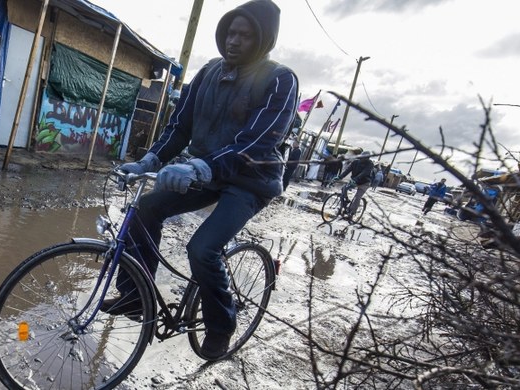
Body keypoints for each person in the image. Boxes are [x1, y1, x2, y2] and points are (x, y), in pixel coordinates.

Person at [104, 0, 298, 361]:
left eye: (245, 34)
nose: (234, 40)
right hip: (205, 170)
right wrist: (148, 160)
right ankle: (134, 295)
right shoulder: (208, 72)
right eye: (230, 32)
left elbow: (258, 141)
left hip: (250, 181)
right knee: (146, 210)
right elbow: (180, 126)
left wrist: (197, 168)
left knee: (202, 248)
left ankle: (222, 326)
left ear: (264, 39)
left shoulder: (279, 80)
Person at [334, 151, 375, 220]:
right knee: (344, 189)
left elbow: (364, 173)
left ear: (367, 158)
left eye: (364, 158)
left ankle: (352, 213)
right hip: (355, 181)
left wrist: (356, 179)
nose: (362, 159)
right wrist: (339, 177)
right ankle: (346, 201)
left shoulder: (370, 164)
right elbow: (347, 170)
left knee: (357, 197)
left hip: (364, 183)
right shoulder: (355, 162)